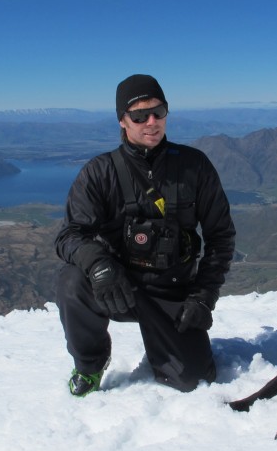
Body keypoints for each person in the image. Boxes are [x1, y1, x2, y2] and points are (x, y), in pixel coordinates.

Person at [55, 74, 236, 396]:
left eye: (159, 111)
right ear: (123, 121)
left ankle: (171, 349)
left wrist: (203, 297)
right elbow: (70, 235)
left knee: (191, 381)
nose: (151, 122)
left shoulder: (195, 166)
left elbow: (220, 236)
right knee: (72, 281)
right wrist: (100, 267)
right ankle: (90, 364)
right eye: (139, 115)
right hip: (119, 286)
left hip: (173, 290)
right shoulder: (100, 172)